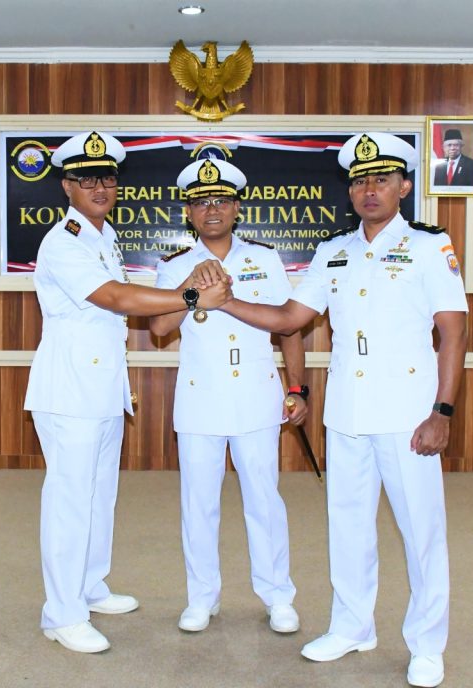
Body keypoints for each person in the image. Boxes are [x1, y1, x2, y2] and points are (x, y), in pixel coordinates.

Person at [219, 132, 468, 688]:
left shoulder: (429, 245)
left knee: (421, 533)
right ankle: (352, 626)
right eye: (359, 181)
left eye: (381, 179)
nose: (369, 189)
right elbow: (291, 317)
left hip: (408, 414)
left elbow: (453, 333)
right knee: (349, 527)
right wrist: (228, 301)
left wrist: (443, 411)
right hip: (348, 413)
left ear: (404, 186)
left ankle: (427, 645)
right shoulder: (334, 250)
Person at [24, 131, 232, 654]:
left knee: (100, 495)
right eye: (87, 179)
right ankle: (62, 613)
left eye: (108, 178)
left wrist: (185, 294)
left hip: (101, 388)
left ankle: (90, 586)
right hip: (69, 391)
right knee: (70, 501)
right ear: (67, 186)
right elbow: (115, 297)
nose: (100, 187)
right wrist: (191, 295)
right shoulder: (63, 241)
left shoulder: (103, 235)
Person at [150, 156, 307, 635]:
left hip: (257, 396)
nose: (212, 209)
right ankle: (202, 598)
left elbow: (289, 327)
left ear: (237, 207)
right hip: (201, 399)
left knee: (264, 500)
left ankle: (277, 596)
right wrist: (190, 287)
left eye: (221, 200)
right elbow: (159, 328)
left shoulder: (264, 258)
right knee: (199, 503)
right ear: (188, 212)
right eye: (201, 202)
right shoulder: (175, 265)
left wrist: (297, 388)